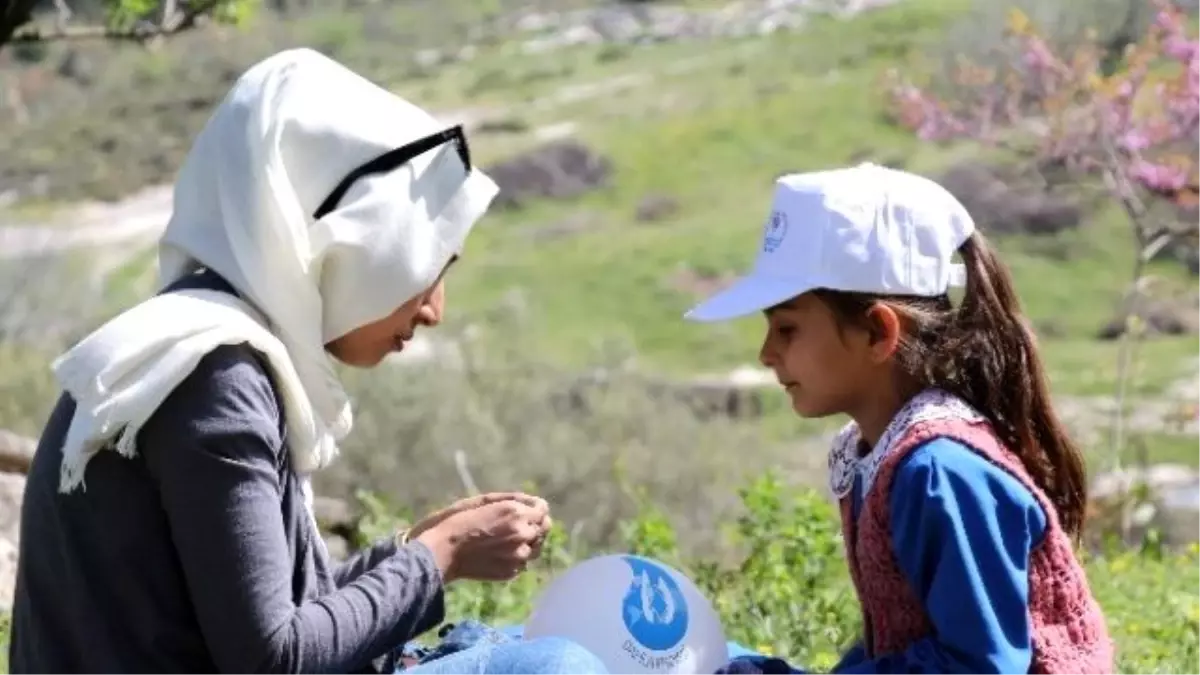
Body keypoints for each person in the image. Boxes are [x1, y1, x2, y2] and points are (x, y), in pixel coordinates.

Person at [9, 48, 607, 675]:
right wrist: (441, 554)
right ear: (353, 240)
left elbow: (272, 617)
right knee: (562, 664)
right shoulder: (214, 379)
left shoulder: (200, 347)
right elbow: (275, 657)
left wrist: (409, 550)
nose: (434, 309)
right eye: (429, 268)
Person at [687, 163, 1115, 674]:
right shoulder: (880, 453)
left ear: (878, 333)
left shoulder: (939, 472)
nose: (766, 354)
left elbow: (980, 665)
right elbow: (906, 642)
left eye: (787, 329)